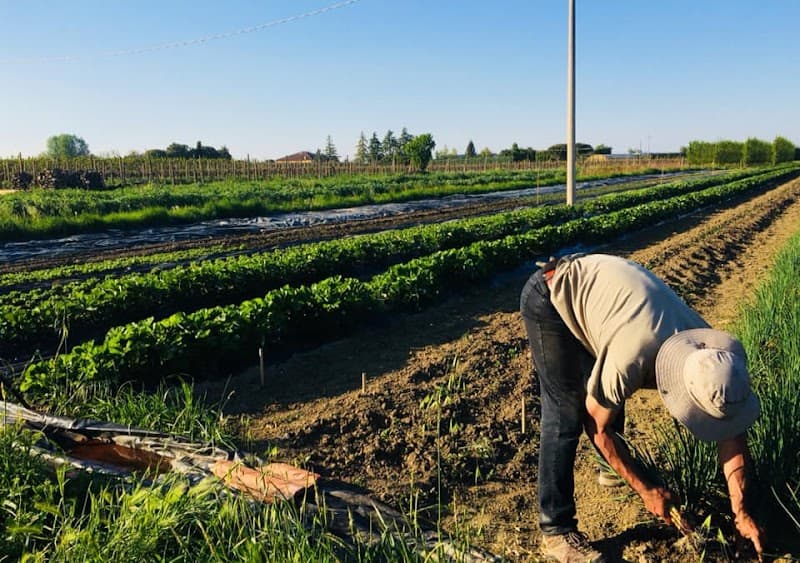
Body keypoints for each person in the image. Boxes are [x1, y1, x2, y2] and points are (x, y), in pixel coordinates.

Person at [519, 253, 764, 563]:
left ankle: (612, 469)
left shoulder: (716, 356)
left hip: (610, 303)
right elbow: (596, 424)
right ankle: (556, 529)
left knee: (609, 390)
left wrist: (741, 512)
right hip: (551, 294)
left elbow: (731, 431)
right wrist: (646, 490)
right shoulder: (634, 353)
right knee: (566, 411)